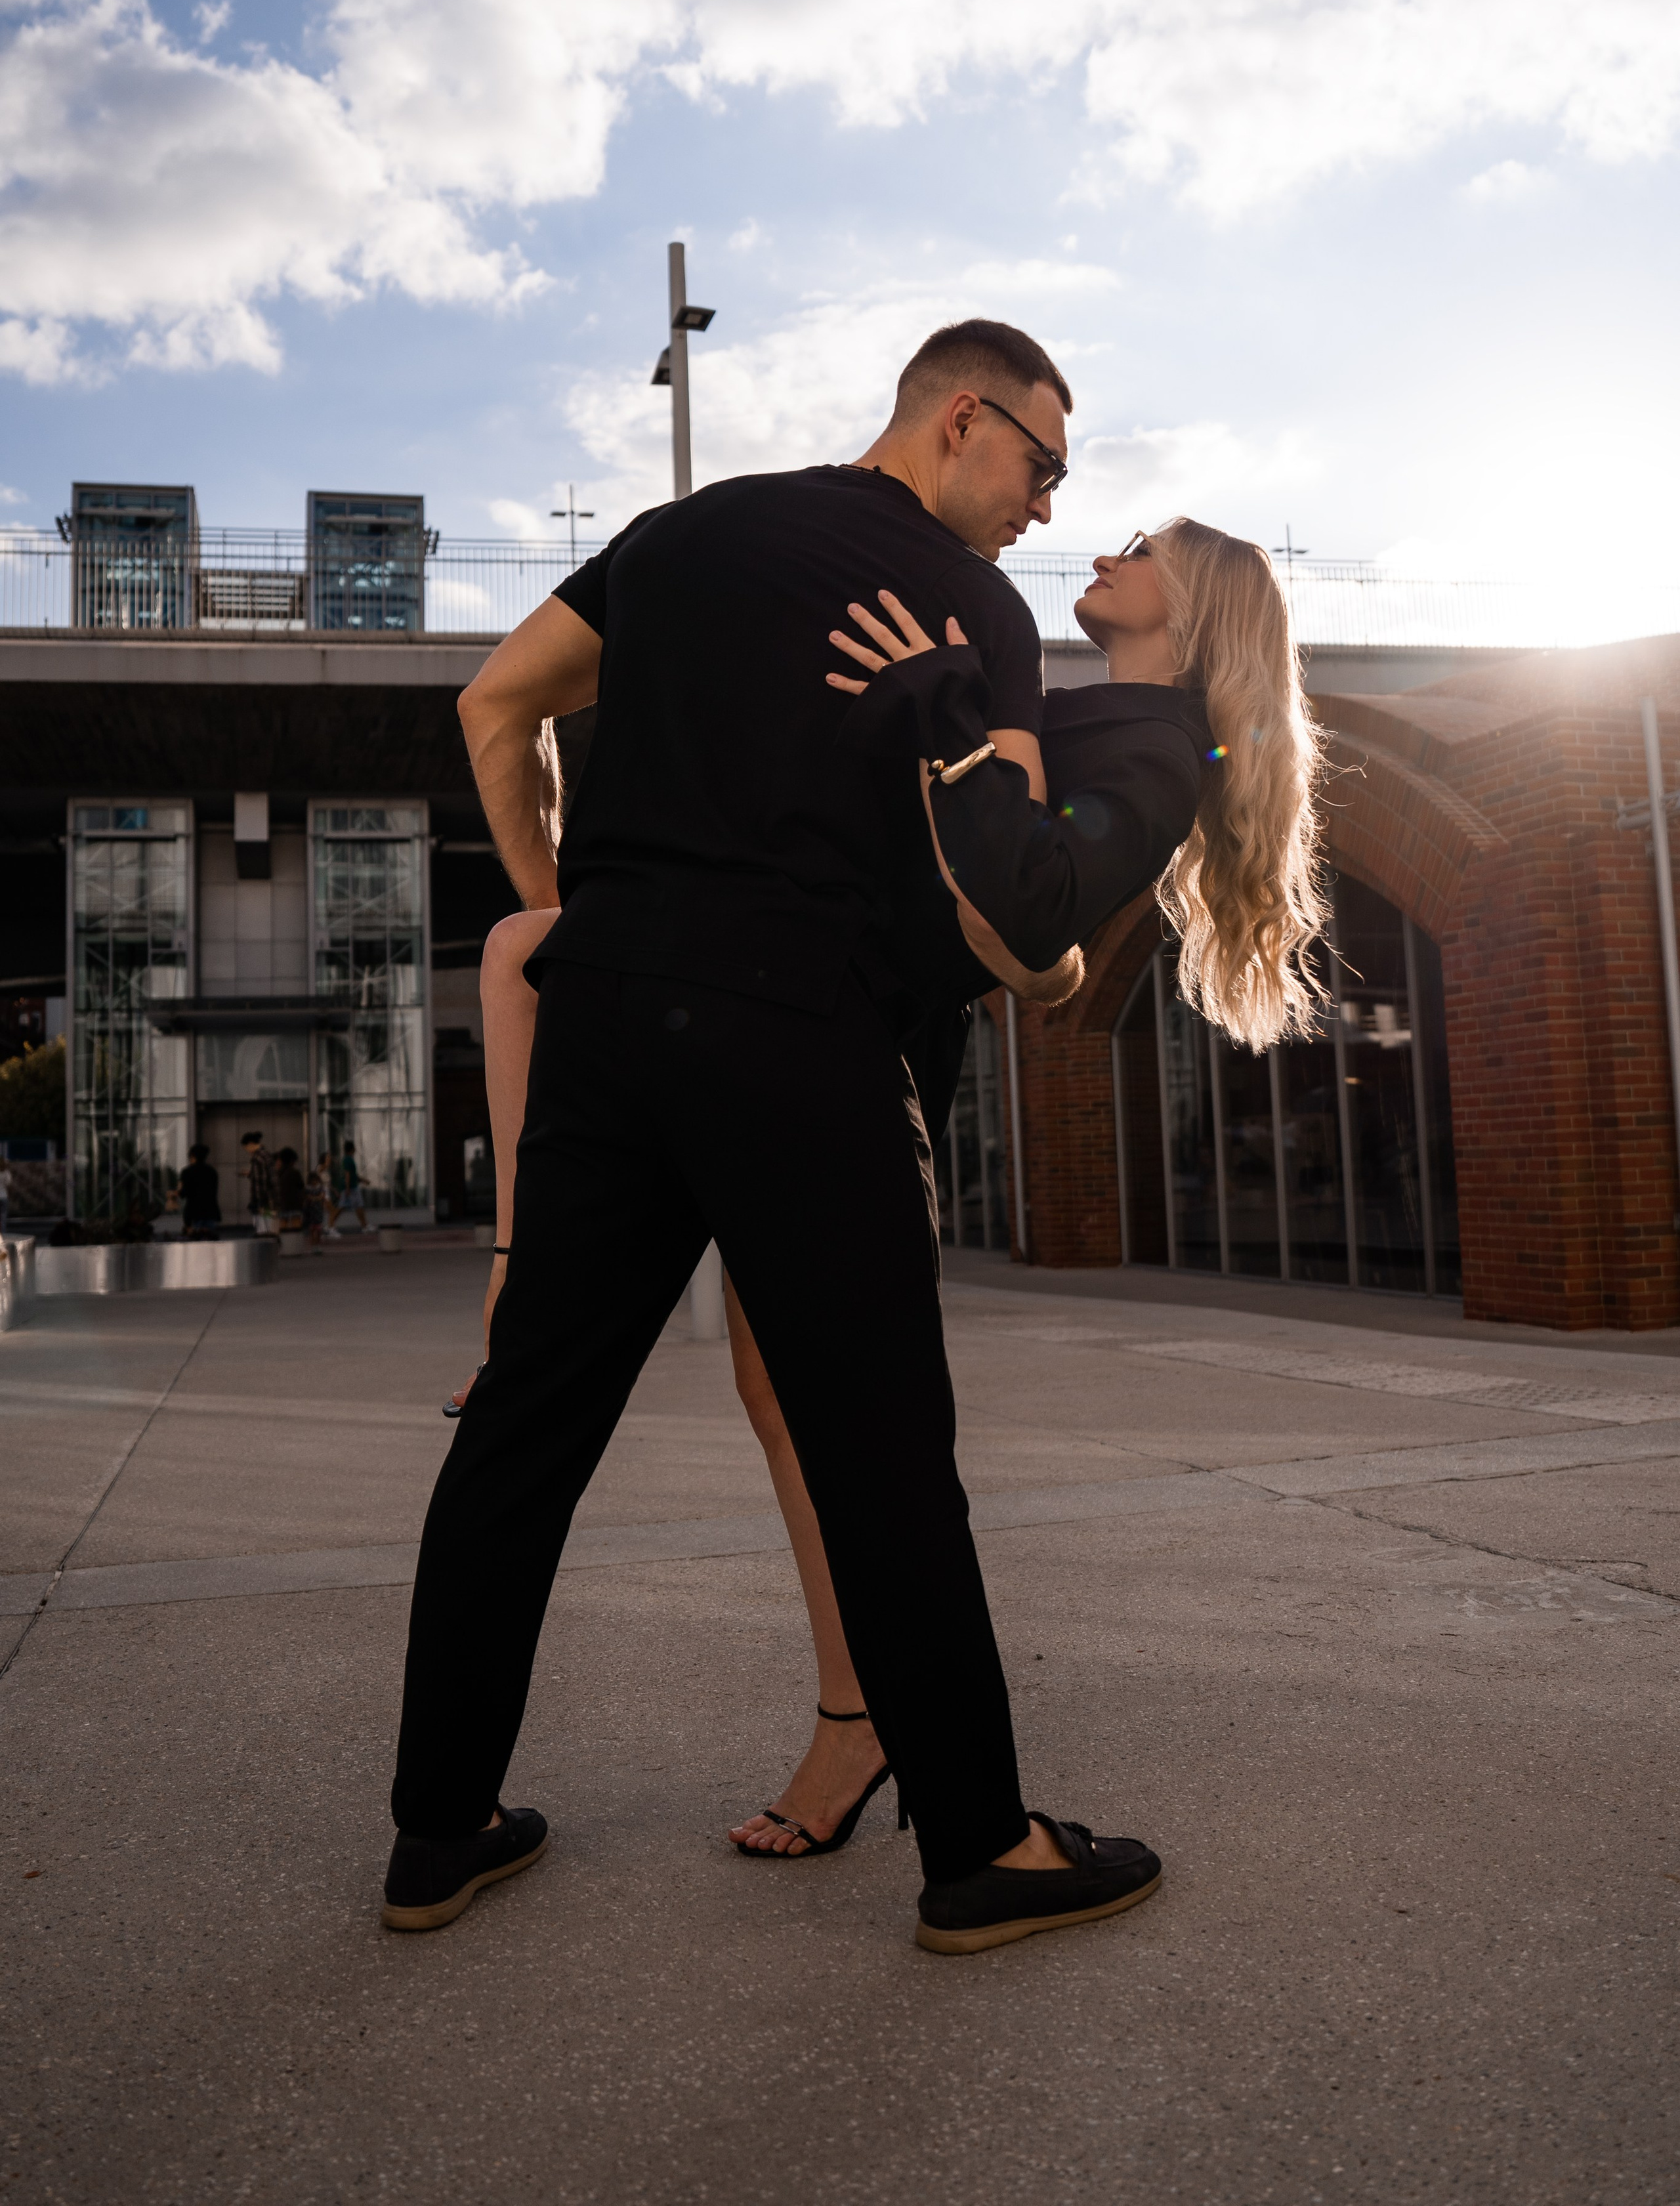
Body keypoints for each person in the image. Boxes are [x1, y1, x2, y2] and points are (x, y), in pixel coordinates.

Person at [384, 318, 1164, 1955]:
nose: (1040, 506)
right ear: (964, 418)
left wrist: (567, 907)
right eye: (1040, 463)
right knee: (879, 1436)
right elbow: (993, 884)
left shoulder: (682, 533)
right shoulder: (973, 615)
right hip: (803, 1026)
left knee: (525, 1424)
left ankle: (438, 1829)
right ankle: (981, 1846)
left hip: (610, 1012)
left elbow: (492, 702)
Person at [453, 513, 1327, 1857]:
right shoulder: (1072, 703)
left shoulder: (1154, 747)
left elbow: (1032, 900)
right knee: (774, 1393)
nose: (1101, 544)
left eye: (1139, 545)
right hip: (794, 1004)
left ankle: (898, 1757)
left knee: (847, 1427)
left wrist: (941, 711)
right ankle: (861, 1727)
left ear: (1195, 601)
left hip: (859, 1052)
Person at [178, 1143, 221, 1240]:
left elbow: (183, 1193)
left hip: (193, 1212)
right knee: (210, 1241)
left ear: (192, 1156)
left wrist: (176, 1193)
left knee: (195, 1243)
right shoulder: (212, 1172)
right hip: (210, 1211)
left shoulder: (187, 1172)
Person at [241, 1131, 276, 1237]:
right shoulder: (266, 1155)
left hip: (262, 1200)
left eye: (246, 1148)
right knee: (270, 1225)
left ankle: (265, 1249)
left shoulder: (257, 1158)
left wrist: (260, 1202)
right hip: (270, 1198)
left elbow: (261, 1181)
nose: (247, 1151)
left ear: (251, 1144)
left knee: (262, 1229)